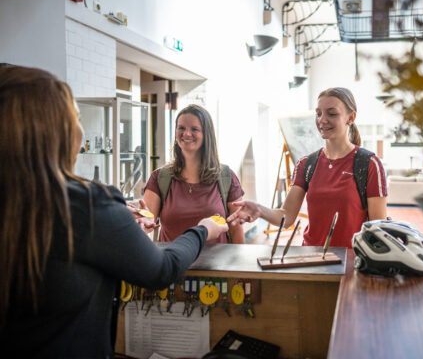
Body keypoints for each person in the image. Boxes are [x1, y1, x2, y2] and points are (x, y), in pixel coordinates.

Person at [0, 66, 228, 357]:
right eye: (77, 119)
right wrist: (203, 230)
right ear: (58, 132)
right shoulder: (87, 205)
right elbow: (161, 270)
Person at [228, 87, 387, 248]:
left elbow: (377, 227)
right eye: (318, 113)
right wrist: (259, 209)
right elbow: (287, 216)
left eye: (332, 113)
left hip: (352, 260)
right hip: (312, 258)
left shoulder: (369, 164)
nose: (322, 120)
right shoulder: (307, 164)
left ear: (351, 117)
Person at [141, 104, 245, 243]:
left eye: (194, 129)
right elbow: (146, 220)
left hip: (216, 263)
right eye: (181, 128)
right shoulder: (160, 178)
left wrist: (238, 264)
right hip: (174, 263)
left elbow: (236, 229)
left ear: (206, 135)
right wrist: (141, 223)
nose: (186, 134)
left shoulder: (226, 177)